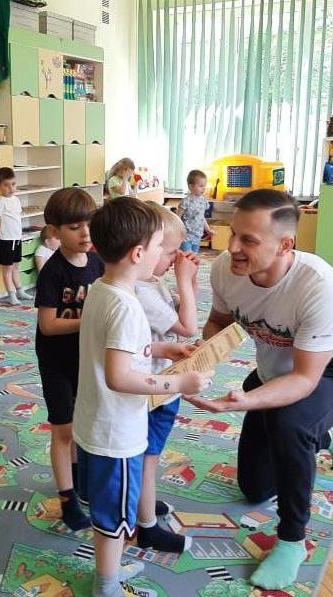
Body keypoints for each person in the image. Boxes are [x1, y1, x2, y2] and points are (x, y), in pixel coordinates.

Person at [191, 189, 333, 590]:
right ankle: (325, 434)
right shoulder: (226, 269)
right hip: (270, 376)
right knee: (255, 490)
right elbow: (219, 322)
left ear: (285, 245)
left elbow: (304, 379)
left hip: (329, 376)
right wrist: (202, 354)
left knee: (291, 424)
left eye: (248, 240)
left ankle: (292, 541)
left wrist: (244, 402)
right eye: (233, 233)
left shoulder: (321, 285)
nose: (232, 247)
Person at [72, 197, 211, 597]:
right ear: (138, 253)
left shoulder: (102, 289)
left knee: (109, 508)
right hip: (117, 433)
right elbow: (120, 376)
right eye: (158, 247)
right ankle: (106, 586)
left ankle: (110, 572)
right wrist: (178, 384)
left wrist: (162, 349)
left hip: (96, 422)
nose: (161, 254)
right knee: (113, 516)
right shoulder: (128, 307)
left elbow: (116, 351)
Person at [34, 188, 103, 532]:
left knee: (85, 423)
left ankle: (78, 482)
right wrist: (88, 320)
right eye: (75, 227)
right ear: (55, 231)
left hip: (87, 358)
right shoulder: (53, 271)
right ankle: (67, 499)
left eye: (89, 224)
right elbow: (47, 325)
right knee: (63, 429)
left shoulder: (98, 263)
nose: (85, 234)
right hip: (57, 362)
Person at [134, 203, 199, 553]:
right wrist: (184, 281)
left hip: (161, 382)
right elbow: (188, 327)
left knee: (148, 457)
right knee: (148, 459)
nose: (175, 260)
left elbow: (184, 312)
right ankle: (147, 528)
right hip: (155, 390)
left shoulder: (151, 282)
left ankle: (143, 501)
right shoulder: (142, 291)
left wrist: (189, 283)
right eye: (170, 252)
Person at [0, 167, 32, 305]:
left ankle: (20, 291)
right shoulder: (0, 201)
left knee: (16, 266)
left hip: (16, 239)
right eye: (6, 185)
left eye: (13, 184)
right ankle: (11, 294)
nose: (11, 188)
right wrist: (0, 235)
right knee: (7, 268)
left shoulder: (16, 199)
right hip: (6, 241)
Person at [178, 169, 214, 253]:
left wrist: (208, 230)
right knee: (187, 256)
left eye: (204, 186)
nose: (203, 188)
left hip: (197, 235)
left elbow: (201, 218)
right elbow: (177, 218)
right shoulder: (185, 201)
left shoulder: (203, 201)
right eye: (201, 186)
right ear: (191, 187)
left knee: (194, 256)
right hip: (186, 235)